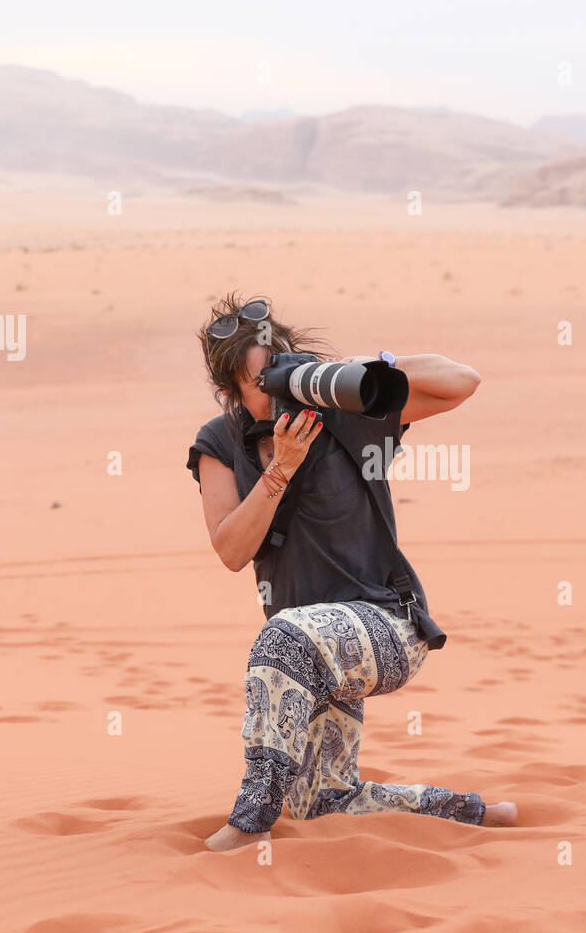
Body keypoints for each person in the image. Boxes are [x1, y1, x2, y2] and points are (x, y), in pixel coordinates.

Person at [187, 294, 518, 852]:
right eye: (259, 380)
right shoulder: (219, 443)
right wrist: (280, 471)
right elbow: (231, 550)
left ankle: (249, 825)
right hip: (311, 652)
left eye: (281, 369)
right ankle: (474, 813)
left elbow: (462, 380)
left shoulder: (348, 414)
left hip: (385, 627)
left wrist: (355, 373)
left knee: (282, 638)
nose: (275, 386)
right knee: (322, 802)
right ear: (231, 392)